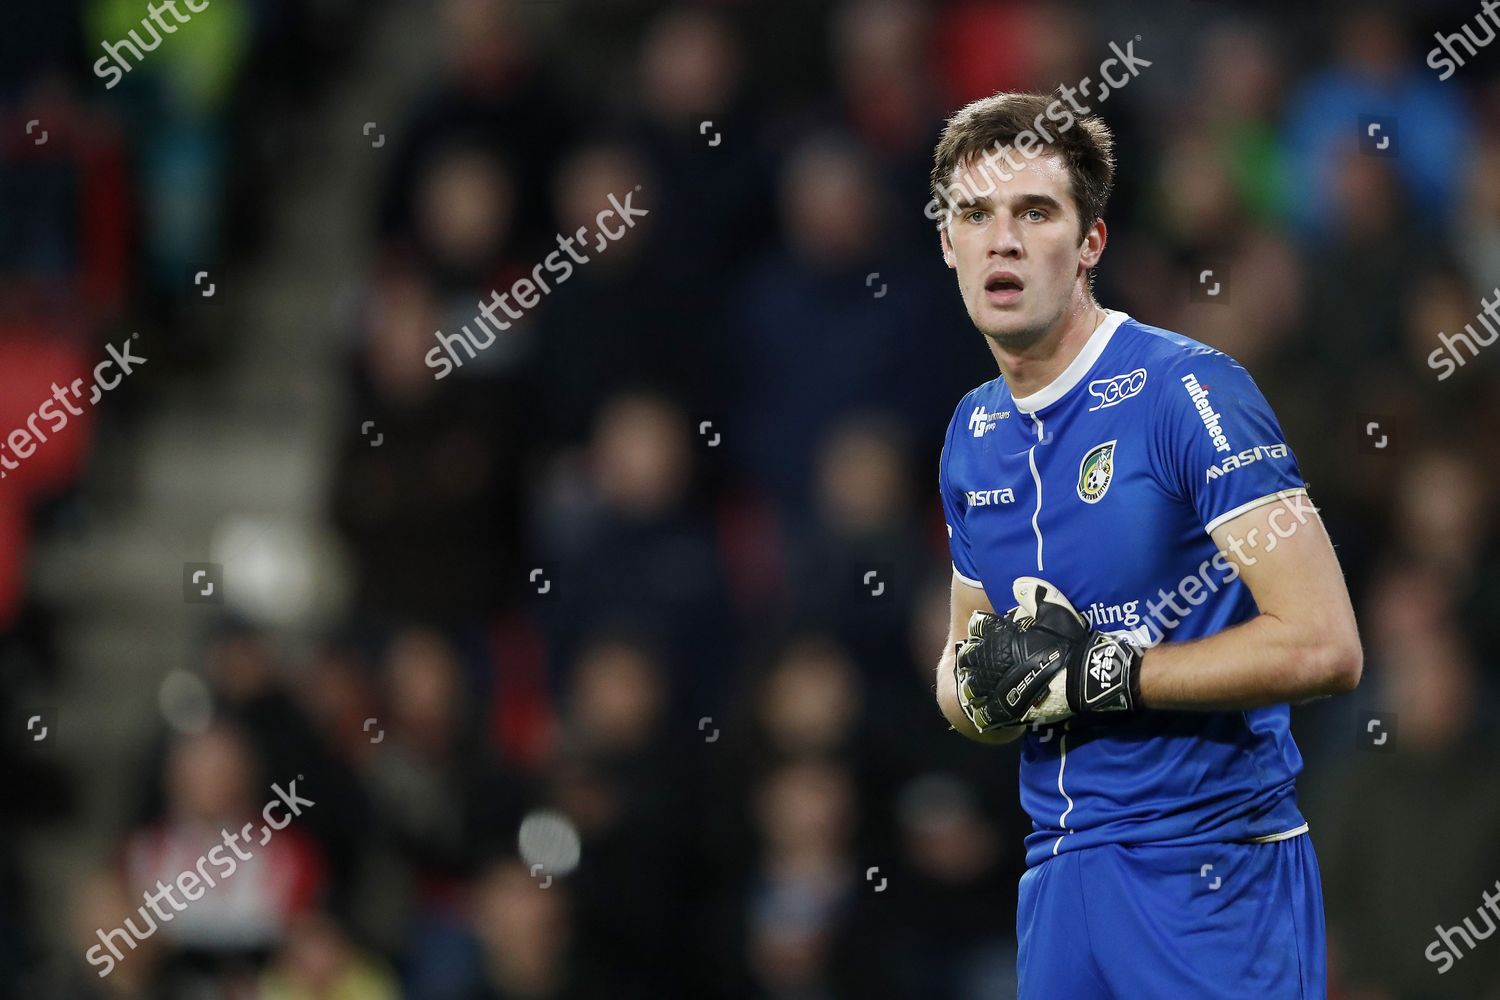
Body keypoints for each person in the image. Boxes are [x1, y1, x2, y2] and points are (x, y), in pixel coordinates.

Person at [928, 90, 1362, 998]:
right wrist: (978, 688)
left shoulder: (1188, 392)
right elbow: (965, 673)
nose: (1001, 239)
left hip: (1210, 870)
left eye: (1034, 212)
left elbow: (1326, 644)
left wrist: (1109, 672)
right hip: (1056, 880)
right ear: (948, 244)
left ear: (1090, 244)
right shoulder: (970, 434)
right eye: (975, 215)